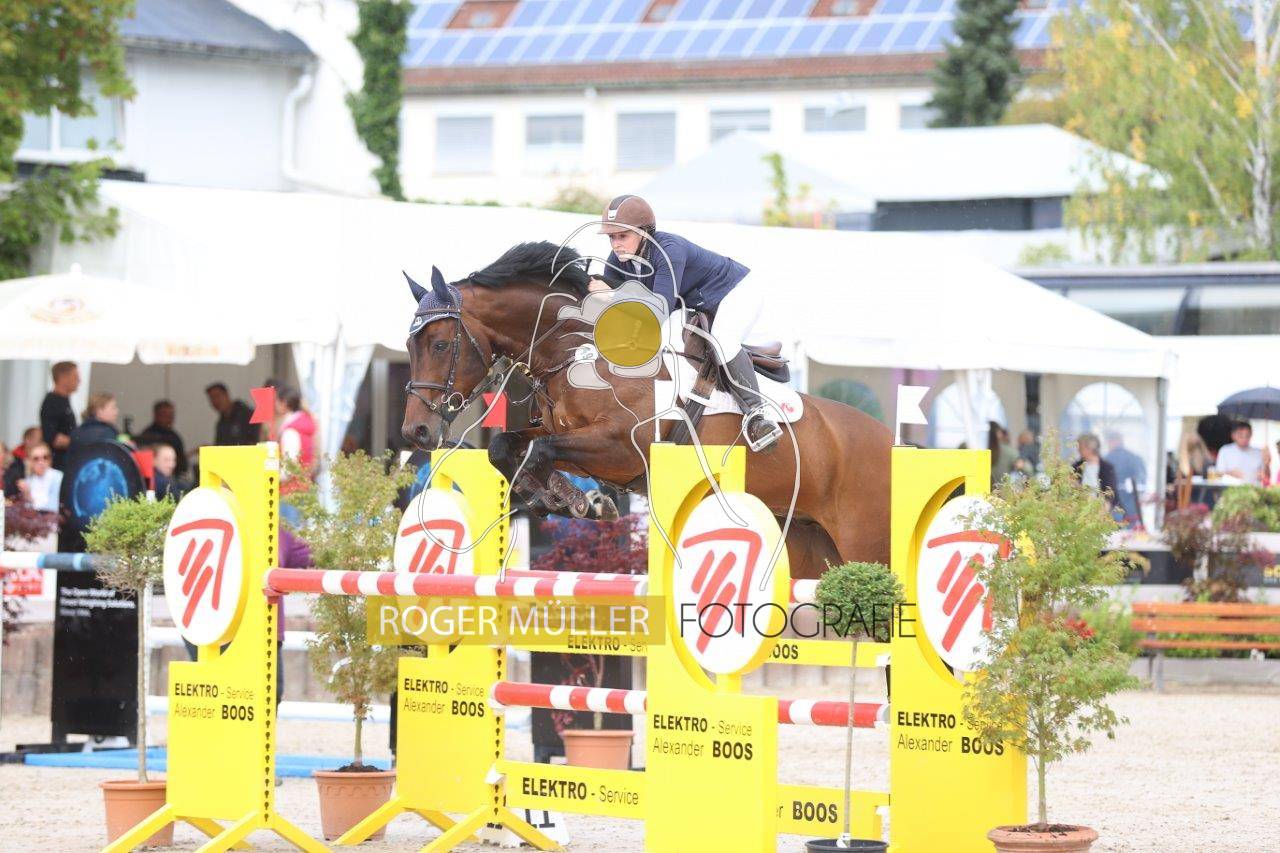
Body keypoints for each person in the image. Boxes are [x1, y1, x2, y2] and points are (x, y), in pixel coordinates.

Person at [589, 194, 781, 451]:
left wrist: (612, 296)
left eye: (622, 236)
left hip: (736, 292)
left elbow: (659, 310)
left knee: (723, 341)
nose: (616, 244)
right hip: (700, 303)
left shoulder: (669, 251)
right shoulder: (619, 260)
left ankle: (758, 416)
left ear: (644, 232)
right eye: (612, 237)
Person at [40, 361, 80, 470]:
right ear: (63, 378)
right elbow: (52, 438)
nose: (79, 381)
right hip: (58, 465)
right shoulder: (52, 403)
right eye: (75, 377)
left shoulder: (65, 400)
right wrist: (79, 442)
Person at [137, 400, 189, 479]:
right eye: (165, 415)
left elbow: (182, 462)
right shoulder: (148, 436)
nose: (169, 418)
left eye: (171, 415)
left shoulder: (174, 436)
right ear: (156, 415)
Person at [1105, 432, 1147, 526]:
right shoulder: (1135, 458)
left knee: (1113, 530)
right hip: (1132, 506)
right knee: (1131, 530)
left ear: (1112, 442)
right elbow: (1142, 481)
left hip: (1113, 504)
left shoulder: (1106, 460)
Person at [1072, 433, 1119, 509]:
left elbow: (1110, 492)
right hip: (1081, 507)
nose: (1078, 450)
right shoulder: (1076, 467)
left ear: (1090, 448)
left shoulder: (1107, 468)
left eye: (1081, 447)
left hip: (1104, 508)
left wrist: (1102, 509)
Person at [16, 442, 62, 512]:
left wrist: (28, 496)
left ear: (50, 460)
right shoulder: (29, 480)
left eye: (45, 457)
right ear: (30, 462)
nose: (41, 462)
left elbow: (53, 508)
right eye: (36, 459)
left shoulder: (58, 477)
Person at [3, 426, 41, 499]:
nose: (41, 443)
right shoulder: (14, 460)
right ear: (27, 440)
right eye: (39, 440)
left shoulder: (44, 459)